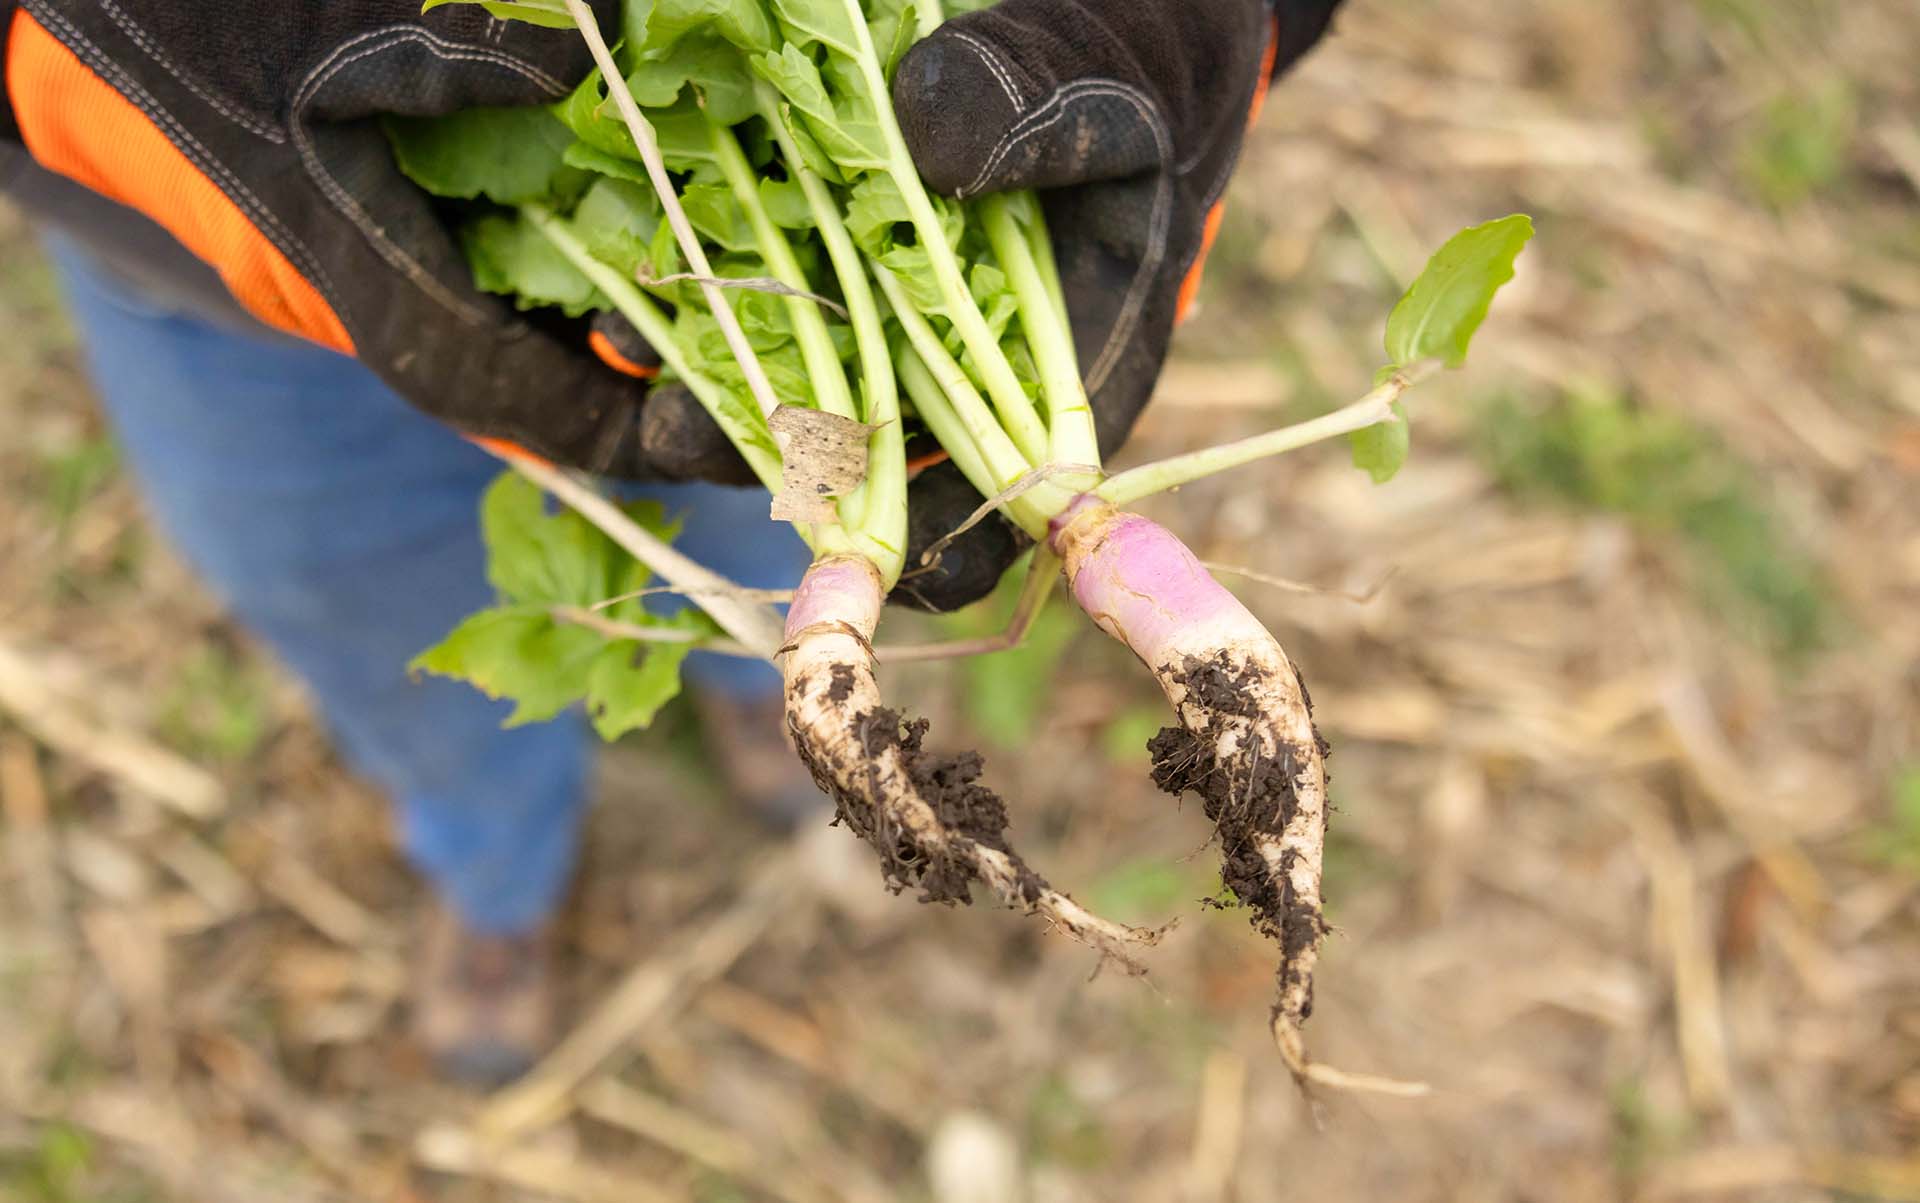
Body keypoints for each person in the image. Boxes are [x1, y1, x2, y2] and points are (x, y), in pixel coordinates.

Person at [0, 0, 1343, 1084]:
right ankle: (489, 863)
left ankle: (765, 691)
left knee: (720, 476)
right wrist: (84, 42)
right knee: (348, 587)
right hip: (186, 208)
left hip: (747, 295)